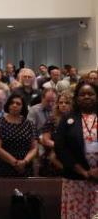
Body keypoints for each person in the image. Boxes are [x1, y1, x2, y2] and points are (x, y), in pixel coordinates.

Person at [55, 81, 98, 218]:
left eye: (90, 94)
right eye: (82, 94)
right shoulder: (68, 119)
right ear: (76, 98)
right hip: (75, 179)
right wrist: (83, 171)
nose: (86, 97)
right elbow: (61, 148)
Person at [0, 93, 38, 177]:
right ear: (8, 105)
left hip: (25, 166)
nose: (14, 105)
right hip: (5, 165)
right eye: (12, 103)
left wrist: (24, 161)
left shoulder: (29, 124)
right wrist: (15, 162)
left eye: (18, 103)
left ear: (23, 107)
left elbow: (34, 148)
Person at [39, 91, 72, 177]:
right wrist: (60, 147)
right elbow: (45, 140)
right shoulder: (52, 119)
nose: (63, 105)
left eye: (67, 102)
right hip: (52, 158)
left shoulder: (77, 120)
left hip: (71, 157)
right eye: (61, 102)